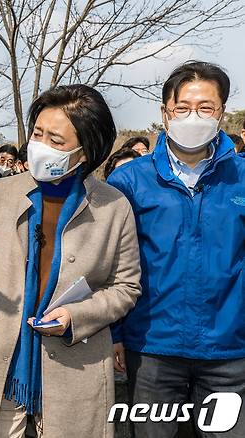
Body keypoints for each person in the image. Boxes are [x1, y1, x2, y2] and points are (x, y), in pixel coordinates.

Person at [0, 84, 141, 438]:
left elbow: (126, 287)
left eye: (56, 140)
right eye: (38, 133)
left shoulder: (114, 207)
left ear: (85, 151)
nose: (41, 145)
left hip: (76, 368)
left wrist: (75, 316)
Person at [107, 61, 245, 437]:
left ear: (221, 112)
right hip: (153, 348)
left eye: (205, 108)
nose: (193, 116)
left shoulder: (241, 178)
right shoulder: (129, 180)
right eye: (182, 108)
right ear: (165, 113)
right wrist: (116, 335)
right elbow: (114, 265)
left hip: (229, 352)